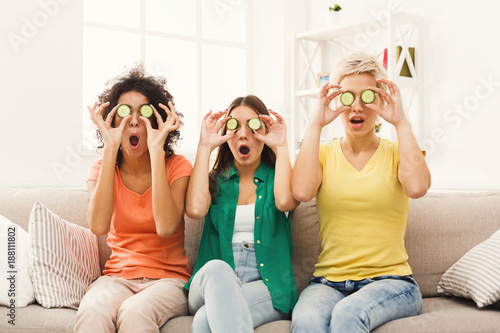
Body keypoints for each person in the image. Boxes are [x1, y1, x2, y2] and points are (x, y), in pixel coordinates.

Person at [291, 53, 431, 332]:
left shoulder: (396, 153)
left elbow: (417, 188)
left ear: (379, 101)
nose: (357, 107)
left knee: (348, 314)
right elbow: (302, 192)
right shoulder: (322, 154)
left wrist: (401, 123)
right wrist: (316, 123)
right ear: (336, 102)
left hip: (392, 282)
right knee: (307, 320)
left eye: (367, 97)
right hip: (328, 283)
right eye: (347, 97)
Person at [74, 66, 192, 332]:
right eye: (125, 112)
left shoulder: (177, 166)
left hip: (168, 281)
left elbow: (165, 227)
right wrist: (111, 148)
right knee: (92, 311)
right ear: (113, 120)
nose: (135, 120)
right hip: (117, 278)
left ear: (159, 118)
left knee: (134, 311)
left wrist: (156, 150)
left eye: (145, 112)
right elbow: (98, 227)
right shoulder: (101, 169)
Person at [185, 95, 299, 332]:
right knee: (218, 269)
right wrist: (205, 146)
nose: (243, 134)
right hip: (210, 283)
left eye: (253, 126)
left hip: (265, 285)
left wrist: (280, 146)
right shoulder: (217, 181)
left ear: (264, 131)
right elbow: (195, 209)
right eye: (234, 126)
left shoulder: (277, 177)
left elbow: (286, 202)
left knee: (206, 320)